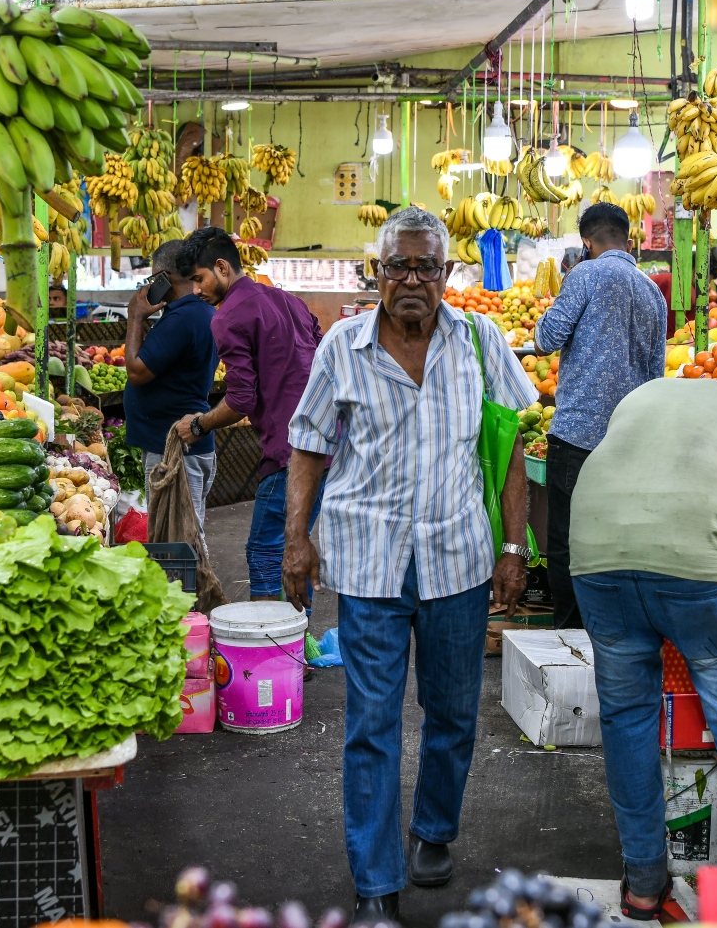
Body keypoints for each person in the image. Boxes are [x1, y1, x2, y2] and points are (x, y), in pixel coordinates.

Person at [282, 207, 537, 925]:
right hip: (367, 562)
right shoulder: (342, 346)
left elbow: (511, 445)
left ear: (448, 273)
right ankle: (375, 882)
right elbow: (307, 444)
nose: (414, 280)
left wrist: (514, 546)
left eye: (428, 266)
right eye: (400, 266)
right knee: (370, 721)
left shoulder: (481, 340)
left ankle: (433, 828)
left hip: (457, 558)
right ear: (378, 272)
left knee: (454, 711)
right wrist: (294, 539)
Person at [569, 378, 717, 920]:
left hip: (594, 549)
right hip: (697, 568)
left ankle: (644, 887)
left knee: (626, 720)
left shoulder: (642, 397)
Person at [172, 226, 326, 600]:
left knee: (264, 549)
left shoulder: (228, 317)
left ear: (222, 267)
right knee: (296, 544)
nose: (196, 290)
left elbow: (241, 398)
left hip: (288, 454)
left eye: (199, 279)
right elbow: (324, 356)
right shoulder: (288, 301)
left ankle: (270, 645)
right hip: (324, 445)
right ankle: (296, 639)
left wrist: (198, 423)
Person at [532, 203, 665, 629]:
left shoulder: (584, 275)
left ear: (585, 242)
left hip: (578, 437)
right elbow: (656, 369)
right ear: (628, 239)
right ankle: (613, 636)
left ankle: (569, 638)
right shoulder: (651, 290)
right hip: (632, 439)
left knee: (569, 544)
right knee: (619, 544)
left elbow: (546, 339)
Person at [124, 239, 220, 526]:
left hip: (176, 449)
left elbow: (136, 371)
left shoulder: (184, 318)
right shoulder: (197, 313)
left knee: (179, 543)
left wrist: (135, 317)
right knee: (179, 537)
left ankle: (183, 576)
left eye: (153, 278)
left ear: (164, 278)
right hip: (176, 444)